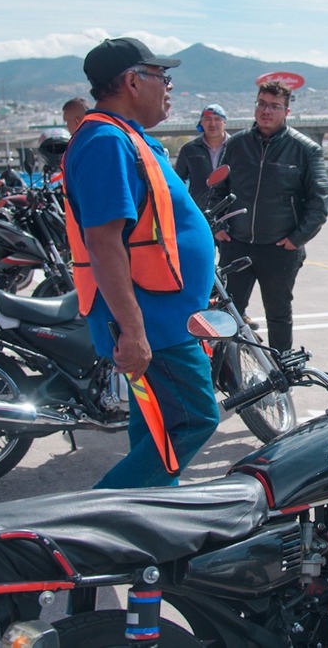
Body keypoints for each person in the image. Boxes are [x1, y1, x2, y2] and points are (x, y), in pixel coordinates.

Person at [61, 37, 219, 489]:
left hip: (165, 316)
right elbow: (104, 242)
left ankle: (149, 518)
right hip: (153, 322)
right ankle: (99, 521)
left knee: (155, 427)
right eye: (162, 78)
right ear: (133, 81)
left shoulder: (129, 137)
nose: (169, 88)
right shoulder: (105, 141)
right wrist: (133, 331)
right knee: (193, 419)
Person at [210, 82, 328, 352]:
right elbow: (218, 190)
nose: (266, 111)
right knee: (229, 316)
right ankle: (225, 373)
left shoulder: (306, 149)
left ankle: (282, 370)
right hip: (236, 245)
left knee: (278, 315)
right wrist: (219, 226)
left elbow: (318, 203)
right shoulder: (236, 144)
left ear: (286, 111)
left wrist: (296, 239)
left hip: (280, 248)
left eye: (274, 106)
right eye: (261, 104)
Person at [174, 103, 229, 206]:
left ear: (224, 122)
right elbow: (178, 181)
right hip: (199, 210)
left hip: (230, 210)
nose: (212, 124)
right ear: (201, 123)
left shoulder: (236, 146)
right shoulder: (189, 150)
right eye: (208, 119)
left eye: (217, 119)